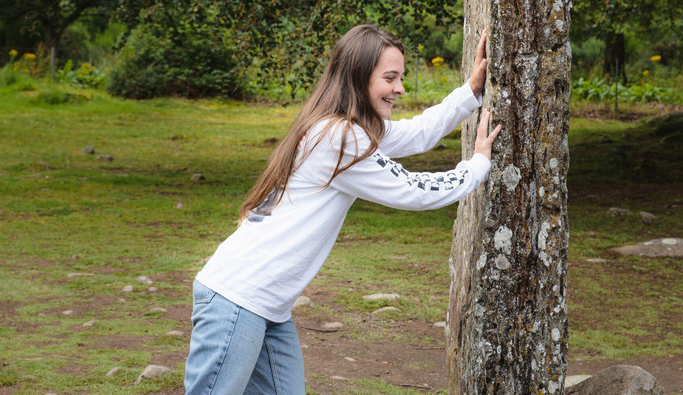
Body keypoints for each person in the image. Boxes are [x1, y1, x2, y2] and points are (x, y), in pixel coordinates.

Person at [184, 24, 501, 394]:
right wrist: (477, 164)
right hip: (237, 298)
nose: (400, 88)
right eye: (390, 77)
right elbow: (414, 190)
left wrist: (471, 92)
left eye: (400, 77)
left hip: (267, 308)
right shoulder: (339, 137)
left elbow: (417, 133)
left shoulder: (346, 128)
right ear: (358, 76)